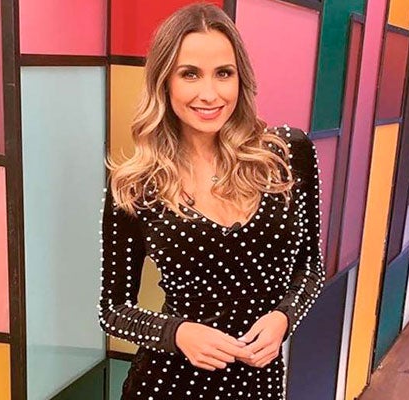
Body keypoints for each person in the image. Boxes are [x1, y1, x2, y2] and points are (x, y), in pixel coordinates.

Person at [98, 3, 325, 399]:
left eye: (223, 73)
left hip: (258, 385)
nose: (209, 94)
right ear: (165, 82)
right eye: (189, 74)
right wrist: (178, 333)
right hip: (166, 385)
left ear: (241, 78)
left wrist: (283, 318)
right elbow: (114, 310)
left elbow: (310, 270)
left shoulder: (288, 154)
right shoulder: (136, 185)